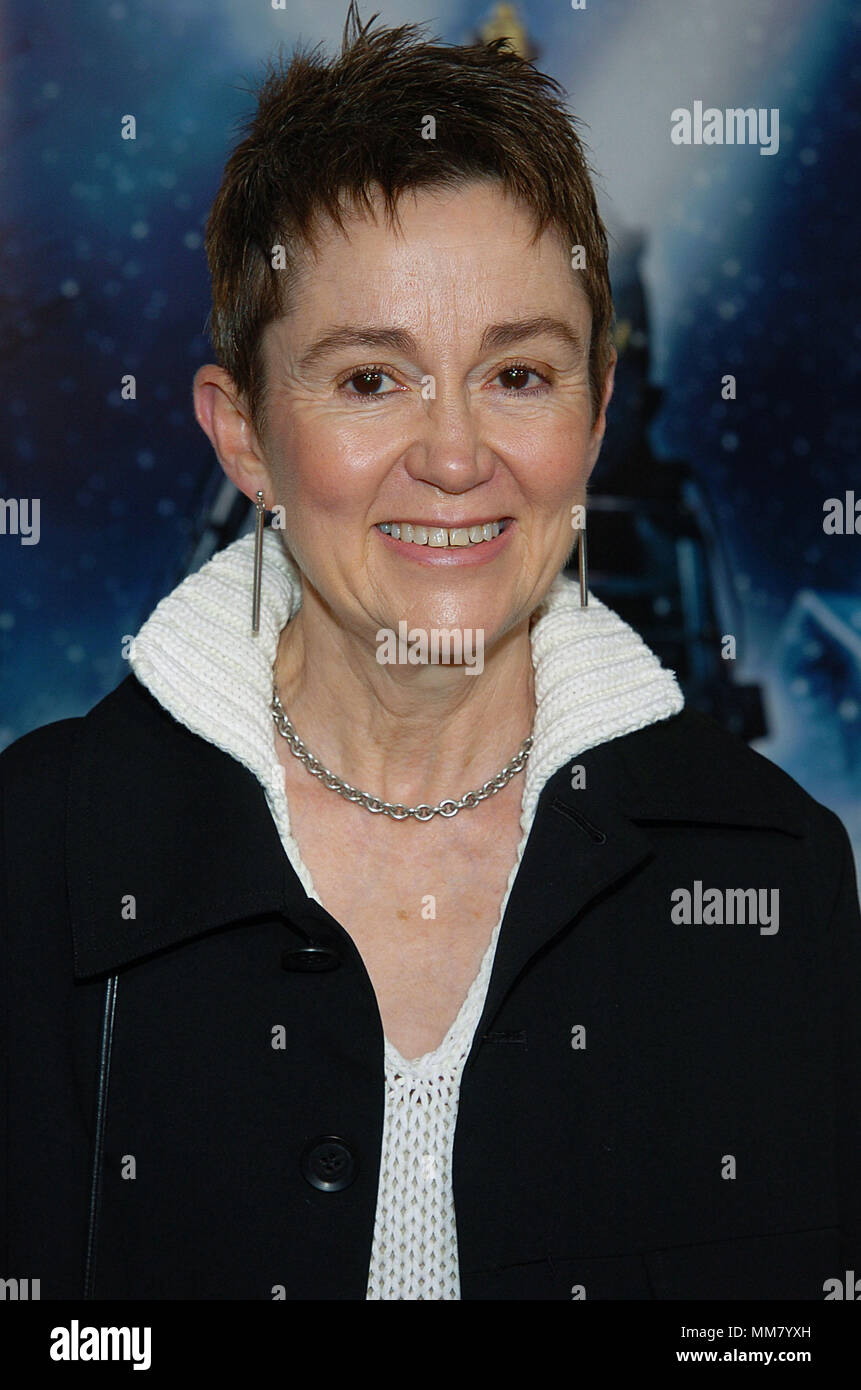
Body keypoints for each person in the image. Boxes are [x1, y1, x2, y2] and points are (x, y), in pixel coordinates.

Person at [2, 3, 859, 1301]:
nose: (455, 458)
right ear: (241, 436)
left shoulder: (777, 873)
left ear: (596, 409)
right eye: (369, 379)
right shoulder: (35, 855)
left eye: (516, 375)